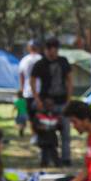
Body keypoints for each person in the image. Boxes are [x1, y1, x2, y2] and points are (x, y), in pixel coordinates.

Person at [31, 37, 74, 165]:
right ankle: (46, 157)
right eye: (49, 50)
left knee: (65, 131)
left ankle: (66, 158)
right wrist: (37, 99)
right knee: (45, 133)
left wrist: (69, 99)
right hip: (46, 103)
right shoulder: (40, 63)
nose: (51, 53)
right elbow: (32, 80)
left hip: (62, 102)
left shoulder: (63, 62)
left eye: (54, 50)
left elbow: (69, 80)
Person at [17, 39, 42, 139]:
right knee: (39, 114)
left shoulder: (24, 60)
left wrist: (22, 90)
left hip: (28, 92)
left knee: (31, 116)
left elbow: (22, 76)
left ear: (29, 48)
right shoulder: (41, 59)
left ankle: (34, 134)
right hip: (40, 91)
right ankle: (39, 134)